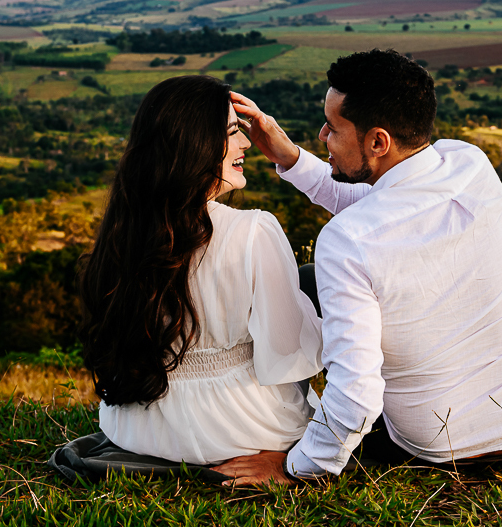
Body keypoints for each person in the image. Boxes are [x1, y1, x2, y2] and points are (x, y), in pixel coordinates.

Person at [216, 49, 502, 485]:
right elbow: (381, 206)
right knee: (311, 280)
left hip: (444, 450)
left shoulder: (346, 243)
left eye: (334, 128)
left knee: (298, 287)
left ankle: (271, 416)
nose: (322, 134)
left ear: (378, 142)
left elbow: (357, 396)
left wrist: (295, 467)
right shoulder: (469, 163)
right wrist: (292, 158)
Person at [74, 75, 323, 467]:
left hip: (140, 427)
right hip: (240, 427)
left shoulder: (126, 229)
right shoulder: (254, 230)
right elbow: (290, 357)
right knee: (312, 281)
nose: (245, 144)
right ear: (195, 146)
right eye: (231, 133)